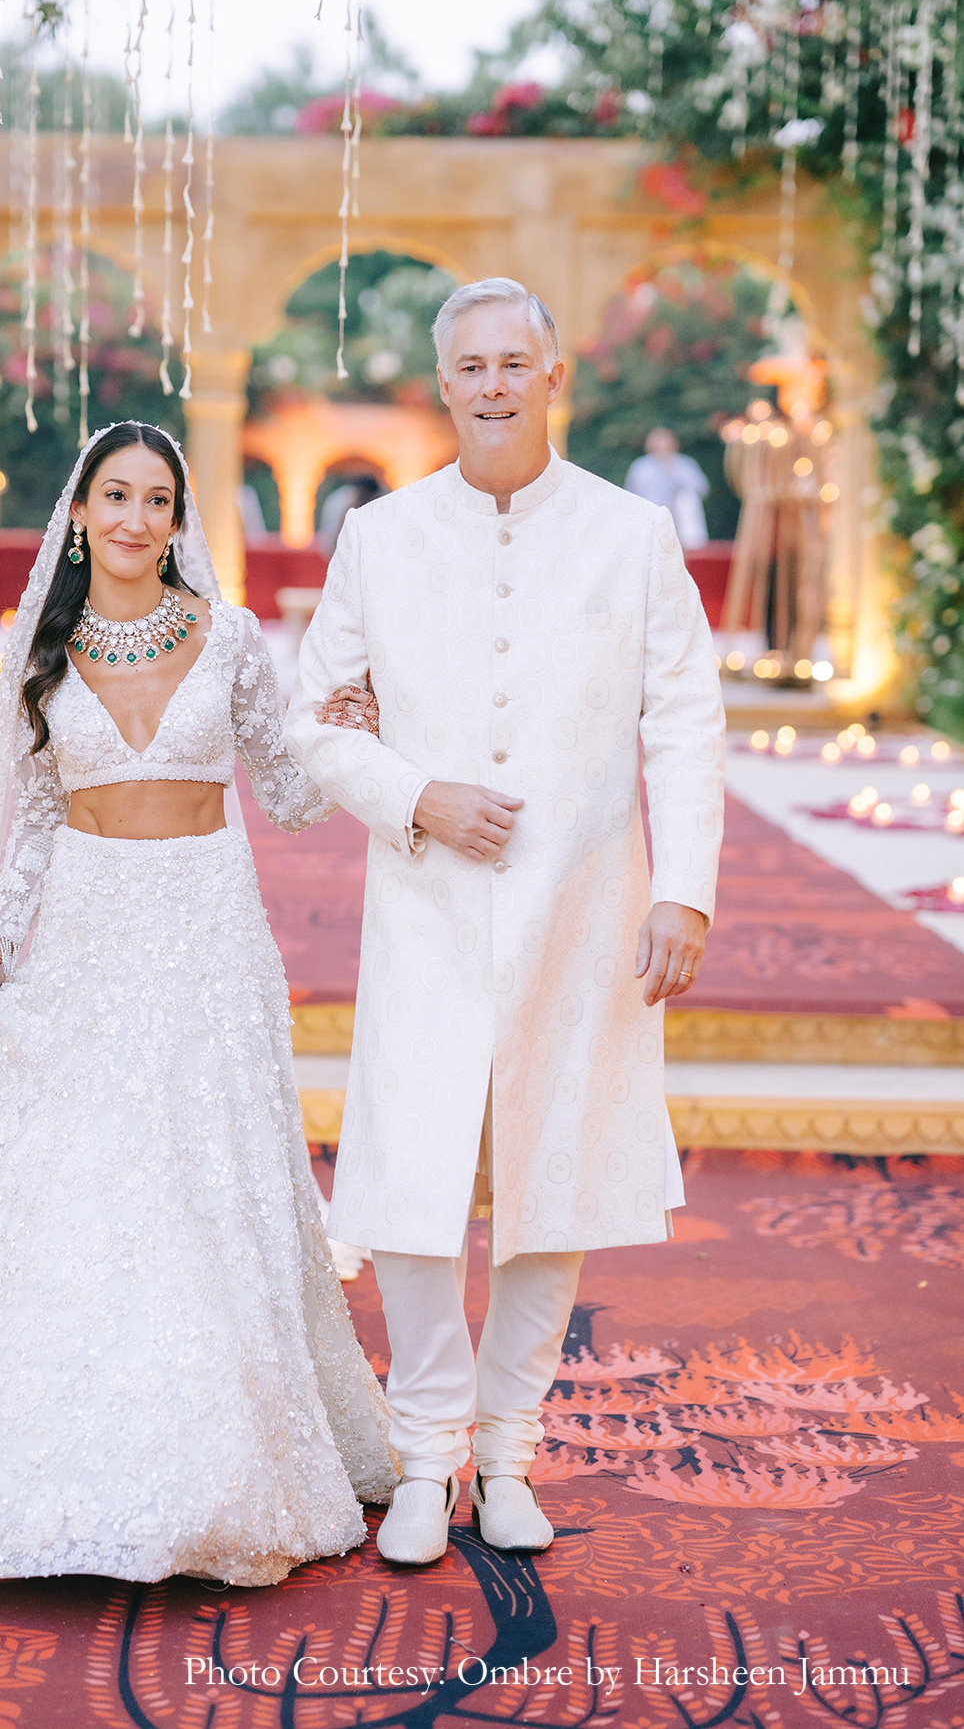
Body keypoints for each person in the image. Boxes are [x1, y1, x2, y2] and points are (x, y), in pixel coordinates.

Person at [0, 421, 398, 1588]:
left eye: (158, 499)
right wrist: (0, 942)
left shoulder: (231, 636)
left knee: (205, 1175)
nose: (138, 519)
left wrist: (352, 730)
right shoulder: (38, 655)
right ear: (81, 512)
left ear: (179, 518)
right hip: (88, 932)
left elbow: (289, 796)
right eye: (117, 496)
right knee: (85, 1180)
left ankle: (223, 1458)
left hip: (204, 932)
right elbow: (34, 820)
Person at [285, 278, 725, 1567]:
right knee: (412, 1182)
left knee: (554, 1182)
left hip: (581, 906)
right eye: (467, 365)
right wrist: (417, 794)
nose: (490, 385)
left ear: (550, 376)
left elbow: (684, 722)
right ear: (442, 384)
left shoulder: (631, 534)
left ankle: (508, 1454)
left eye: (511, 363)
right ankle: (423, 1464)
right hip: (423, 901)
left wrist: (680, 888)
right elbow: (315, 725)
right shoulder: (379, 536)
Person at [624, 426, 711, 550]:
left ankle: (693, 544)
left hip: (681, 519)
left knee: (688, 497)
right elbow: (631, 493)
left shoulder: (685, 464)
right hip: (651, 515)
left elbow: (702, 488)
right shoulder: (641, 467)